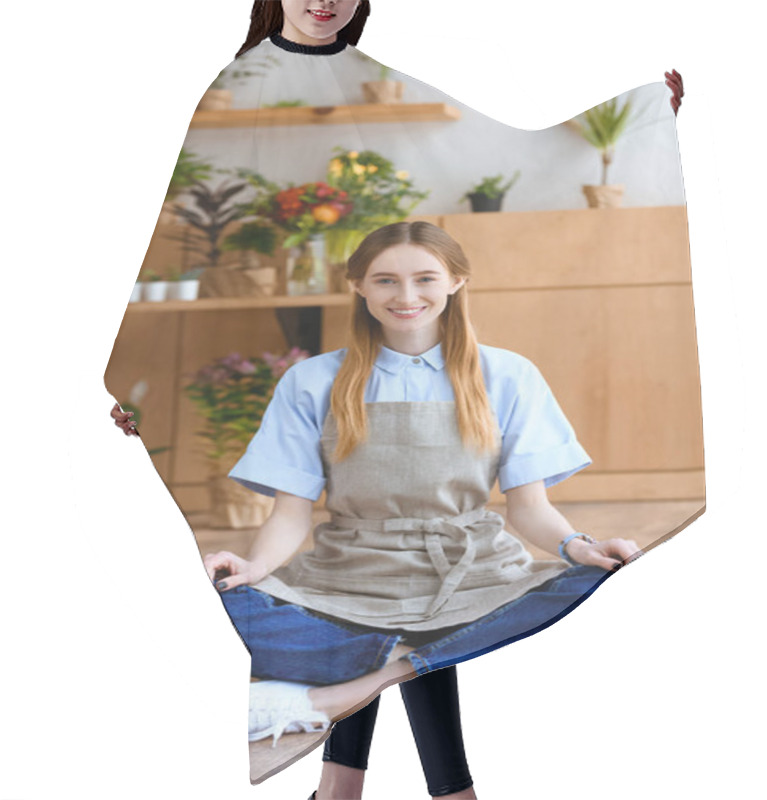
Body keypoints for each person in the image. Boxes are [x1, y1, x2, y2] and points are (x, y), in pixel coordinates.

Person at [108, 4, 685, 797]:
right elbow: (289, 516)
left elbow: (529, 511)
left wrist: (578, 544)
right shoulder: (313, 380)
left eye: (424, 278)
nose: (407, 295)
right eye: (386, 279)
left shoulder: (505, 375)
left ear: (455, 283)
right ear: (357, 288)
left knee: (463, 604)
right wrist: (249, 557)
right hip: (353, 561)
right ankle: (429, 789)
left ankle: (342, 764)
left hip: (469, 564)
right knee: (351, 610)